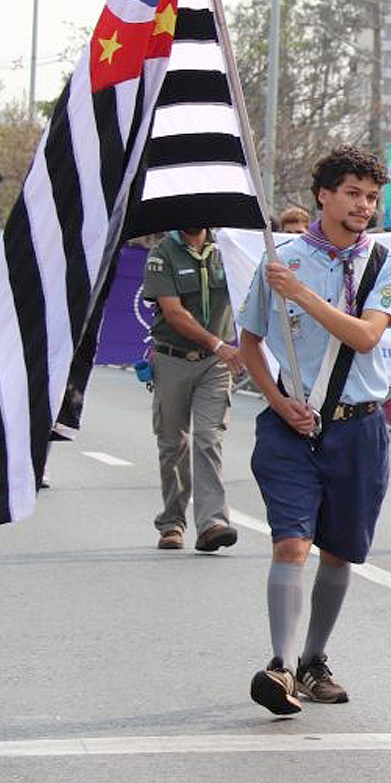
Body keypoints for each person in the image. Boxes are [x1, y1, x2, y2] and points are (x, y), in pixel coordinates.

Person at [236, 145, 391, 715]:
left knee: (339, 553)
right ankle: (281, 666)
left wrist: (302, 295)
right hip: (292, 427)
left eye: (371, 197)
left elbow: (365, 337)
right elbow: (250, 343)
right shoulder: (280, 259)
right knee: (291, 542)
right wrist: (277, 400)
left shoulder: (384, 265)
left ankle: (314, 660)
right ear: (324, 195)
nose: (364, 205)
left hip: (359, 429)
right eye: (353, 193)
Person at [142, 227, 243, 553]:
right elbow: (172, 312)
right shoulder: (162, 254)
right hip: (172, 358)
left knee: (208, 438)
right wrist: (218, 344)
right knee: (173, 443)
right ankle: (172, 522)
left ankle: (213, 522)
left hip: (214, 365)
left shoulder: (228, 249)